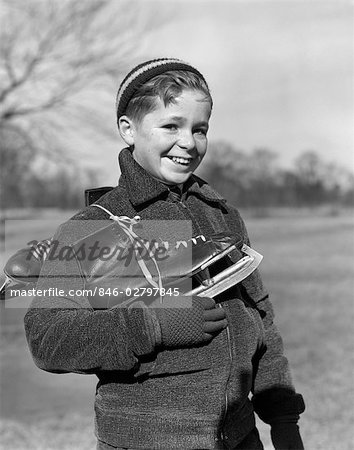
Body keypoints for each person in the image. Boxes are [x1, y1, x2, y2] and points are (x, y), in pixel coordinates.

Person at [24, 58, 305, 450]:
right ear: (129, 129)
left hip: (241, 438)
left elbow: (260, 317)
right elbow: (48, 339)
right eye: (171, 125)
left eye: (200, 129)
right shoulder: (95, 227)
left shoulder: (220, 214)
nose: (188, 142)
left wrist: (283, 419)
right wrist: (152, 324)